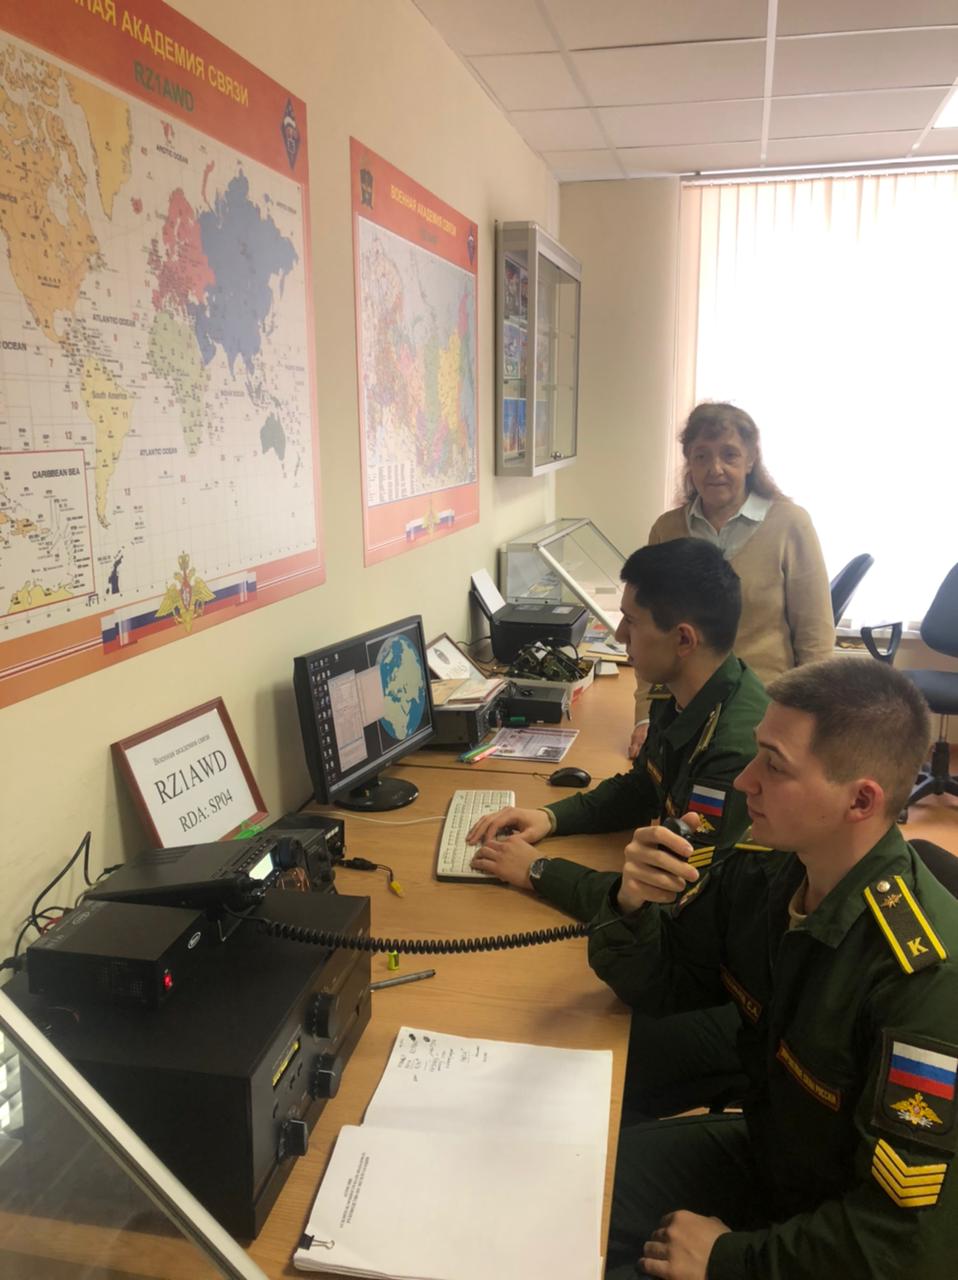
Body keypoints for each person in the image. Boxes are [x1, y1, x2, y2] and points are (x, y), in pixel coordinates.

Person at [584, 657, 958, 1279]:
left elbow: (903, 1246)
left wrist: (730, 1259)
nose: (744, 781)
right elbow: (666, 984)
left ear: (860, 800)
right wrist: (631, 905)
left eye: (774, 766)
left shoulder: (923, 981)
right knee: (575, 1185)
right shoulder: (769, 870)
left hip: (837, 1228)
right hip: (777, 1157)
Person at [468, 537, 768, 1117]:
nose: (620, 634)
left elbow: (669, 898)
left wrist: (540, 871)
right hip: (703, 948)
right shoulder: (690, 694)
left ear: (683, 639)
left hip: (730, 992)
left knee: (559, 1066)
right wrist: (551, 817)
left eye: (632, 621)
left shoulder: (733, 750)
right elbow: (643, 787)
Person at [629, 401, 834, 759]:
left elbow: (815, 637)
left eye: (729, 455)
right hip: (682, 716)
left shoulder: (790, 524)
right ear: (689, 462)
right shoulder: (667, 530)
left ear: (751, 459)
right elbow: (646, 632)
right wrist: (644, 718)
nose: (715, 468)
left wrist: (807, 721)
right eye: (702, 456)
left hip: (765, 715)